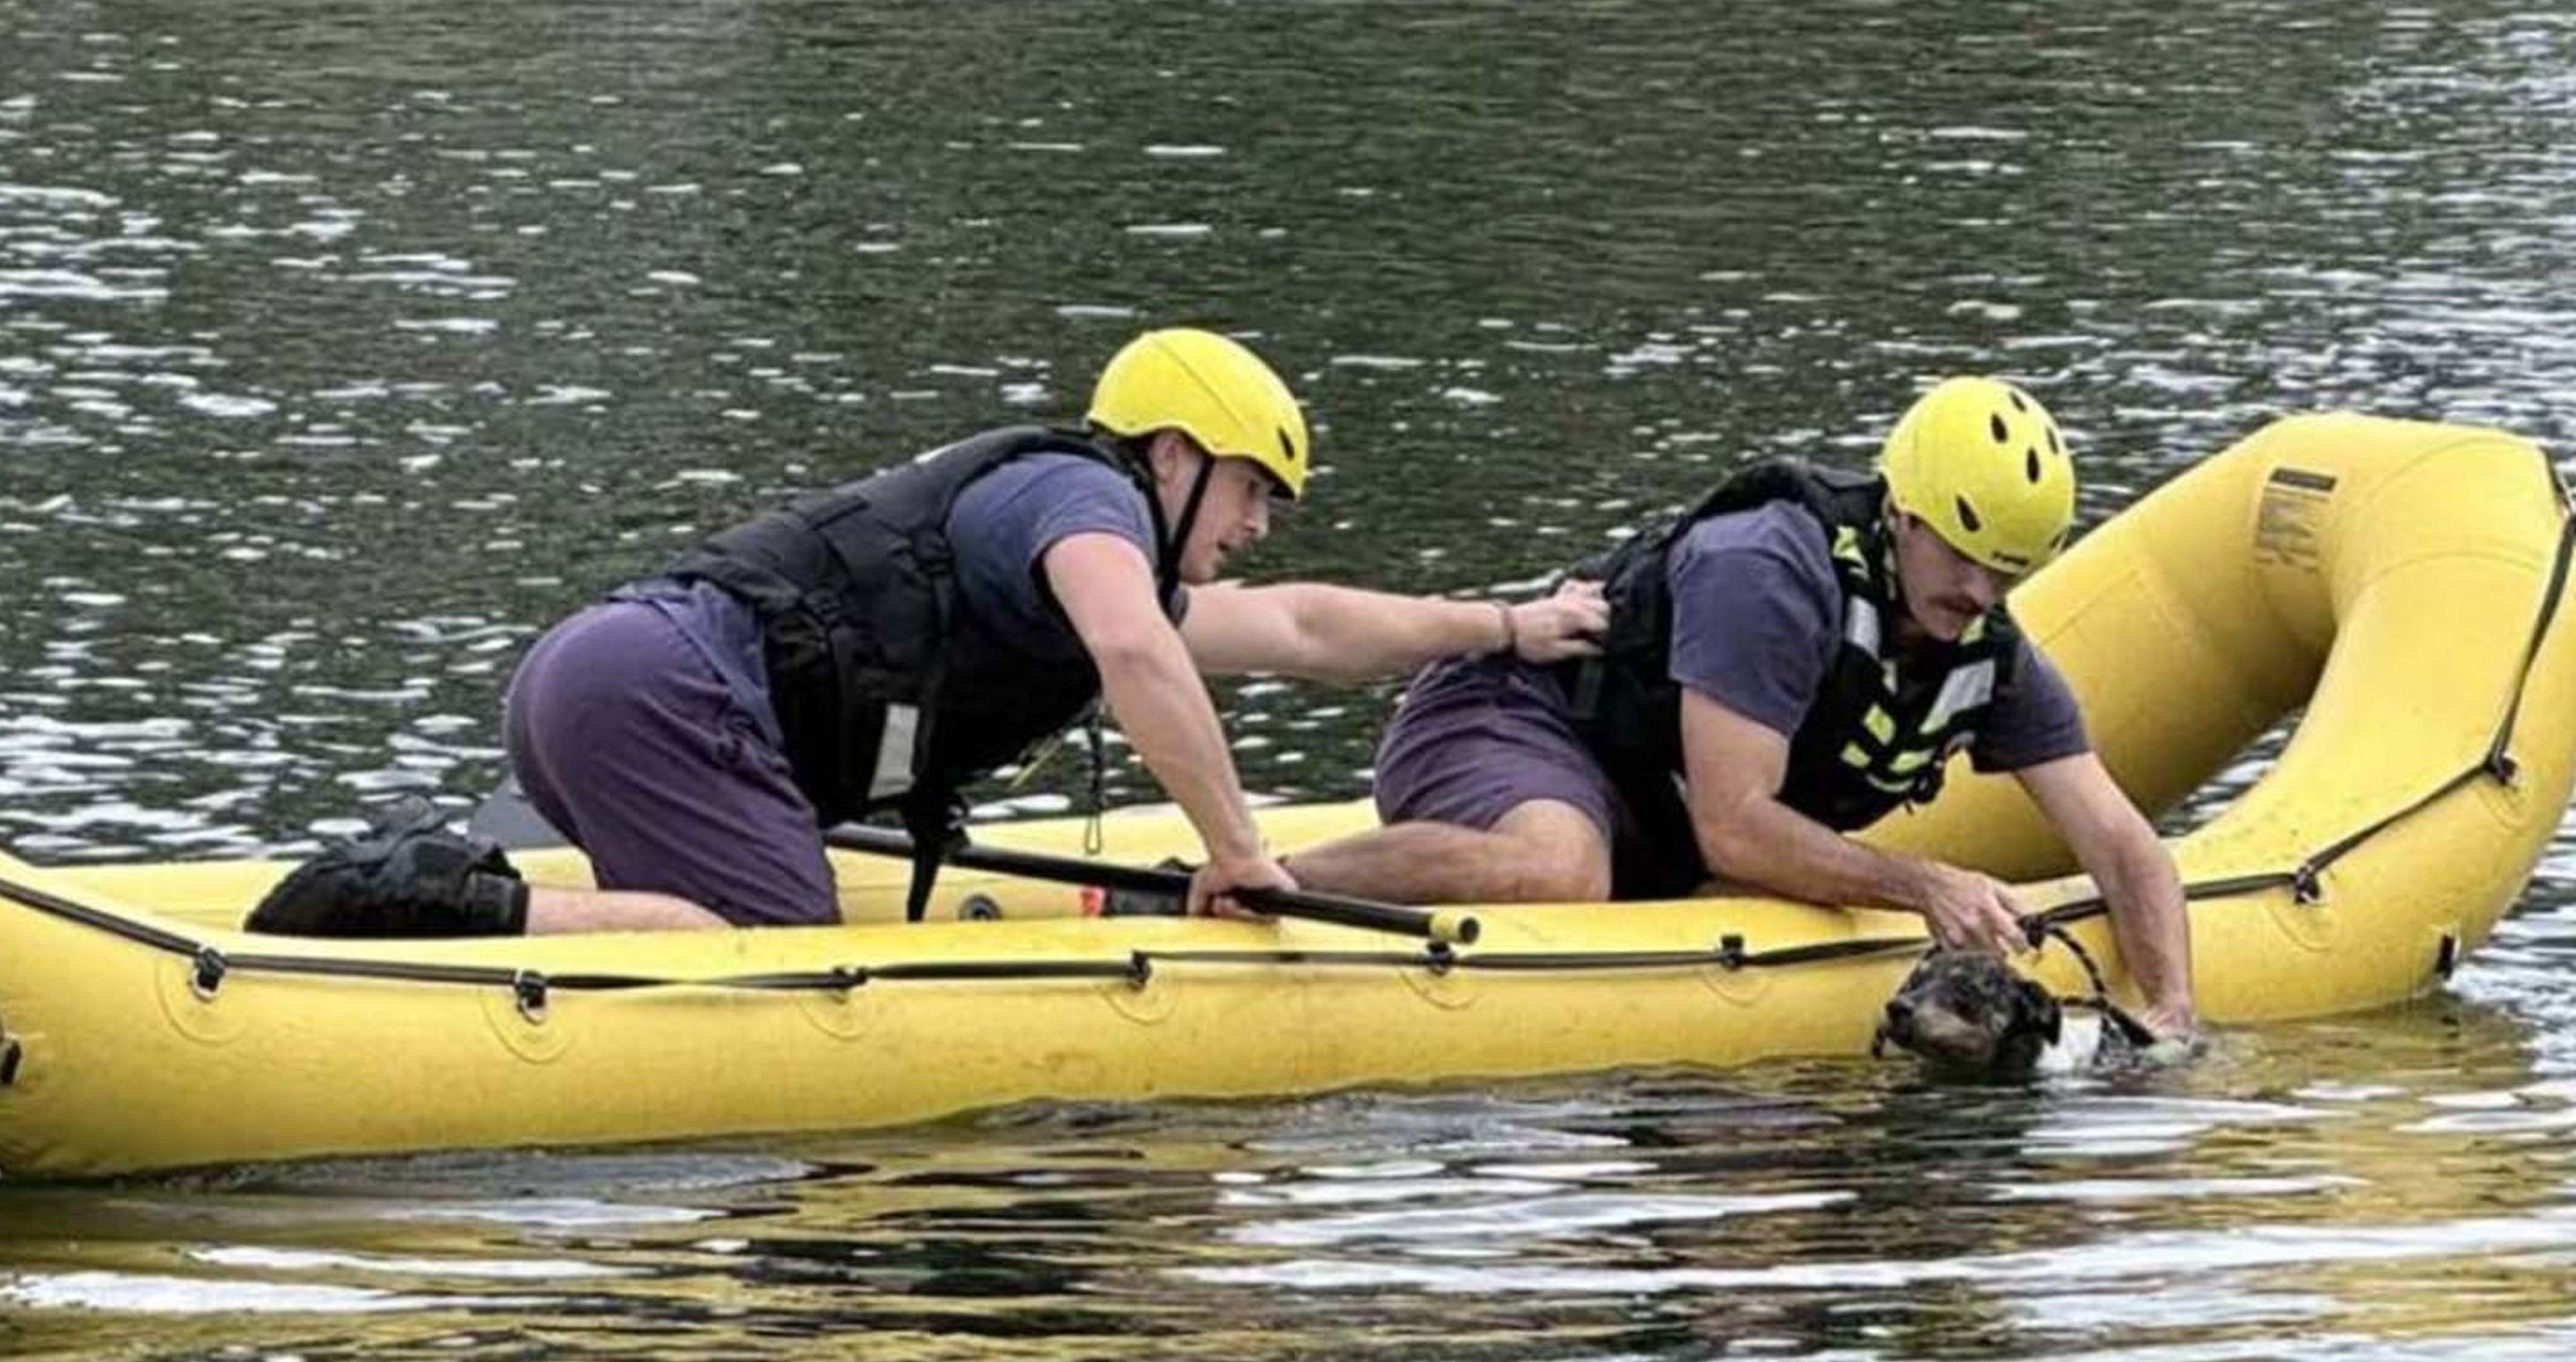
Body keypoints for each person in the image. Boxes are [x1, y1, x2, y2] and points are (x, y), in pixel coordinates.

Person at [247, 328, 1607, 938]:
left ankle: (468, 900)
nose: (1262, 524)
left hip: (609, 681)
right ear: (1179, 455)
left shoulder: (1105, 554)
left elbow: (1306, 626)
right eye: (1256, 491)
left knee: (748, 917)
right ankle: (451, 899)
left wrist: (1502, 624)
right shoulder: (1085, 500)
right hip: (657, 693)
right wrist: (1247, 858)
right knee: (773, 945)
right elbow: (1139, 656)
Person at [1284, 376, 2199, 1041]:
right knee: (1561, 870)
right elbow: (1736, 827)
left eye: (2008, 569)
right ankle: (1270, 881)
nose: (1979, 590)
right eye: (1962, 554)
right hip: (1510, 714)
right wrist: (1926, 883)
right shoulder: (1768, 571)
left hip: (1648, 808)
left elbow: (2122, 843)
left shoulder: (1991, 653)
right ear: (1905, 515)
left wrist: (2170, 1012)